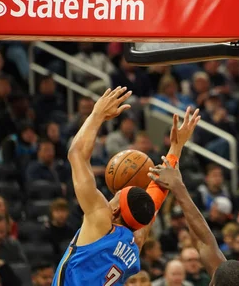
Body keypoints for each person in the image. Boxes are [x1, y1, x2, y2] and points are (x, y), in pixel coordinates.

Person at [52, 87, 199, 286]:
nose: (111, 196)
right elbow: (157, 192)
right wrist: (176, 148)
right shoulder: (135, 242)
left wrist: (97, 115)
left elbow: (76, 154)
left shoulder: (100, 222)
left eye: (115, 196)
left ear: (115, 209)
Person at [148, 160, 239, 286]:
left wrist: (178, 188)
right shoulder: (227, 279)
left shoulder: (221, 278)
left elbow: (203, 239)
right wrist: (178, 188)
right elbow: (203, 240)